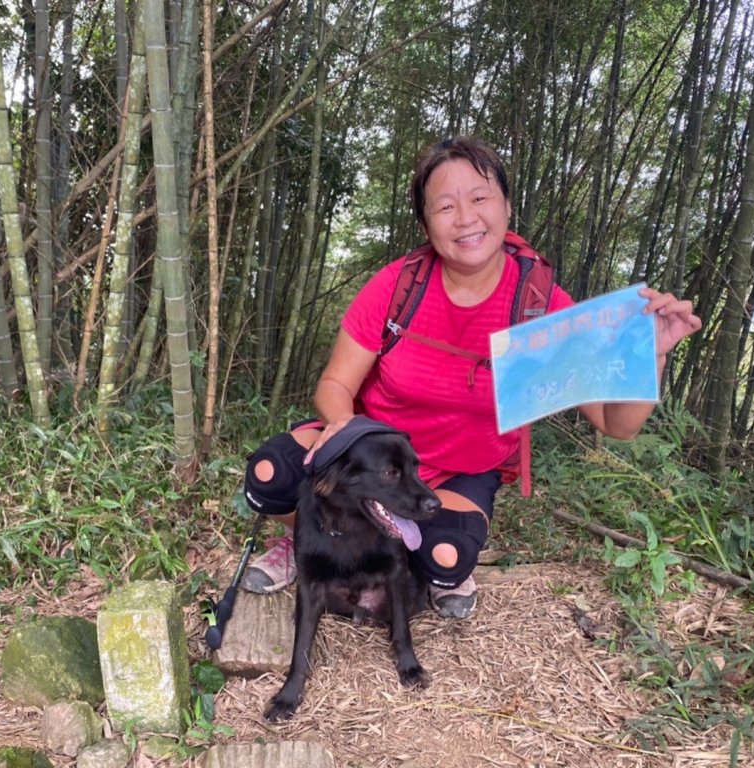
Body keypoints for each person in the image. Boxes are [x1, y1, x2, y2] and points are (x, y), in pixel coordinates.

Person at [240, 136, 702, 619]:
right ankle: (307, 541)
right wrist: (343, 429)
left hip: (463, 468)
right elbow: (335, 386)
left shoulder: (539, 307)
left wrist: (652, 356)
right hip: (373, 454)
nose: (465, 218)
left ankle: (386, 546)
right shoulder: (398, 286)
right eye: (445, 205)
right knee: (272, 474)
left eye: (480, 198)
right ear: (426, 223)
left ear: (506, 206)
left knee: (446, 557)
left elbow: (618, 424)